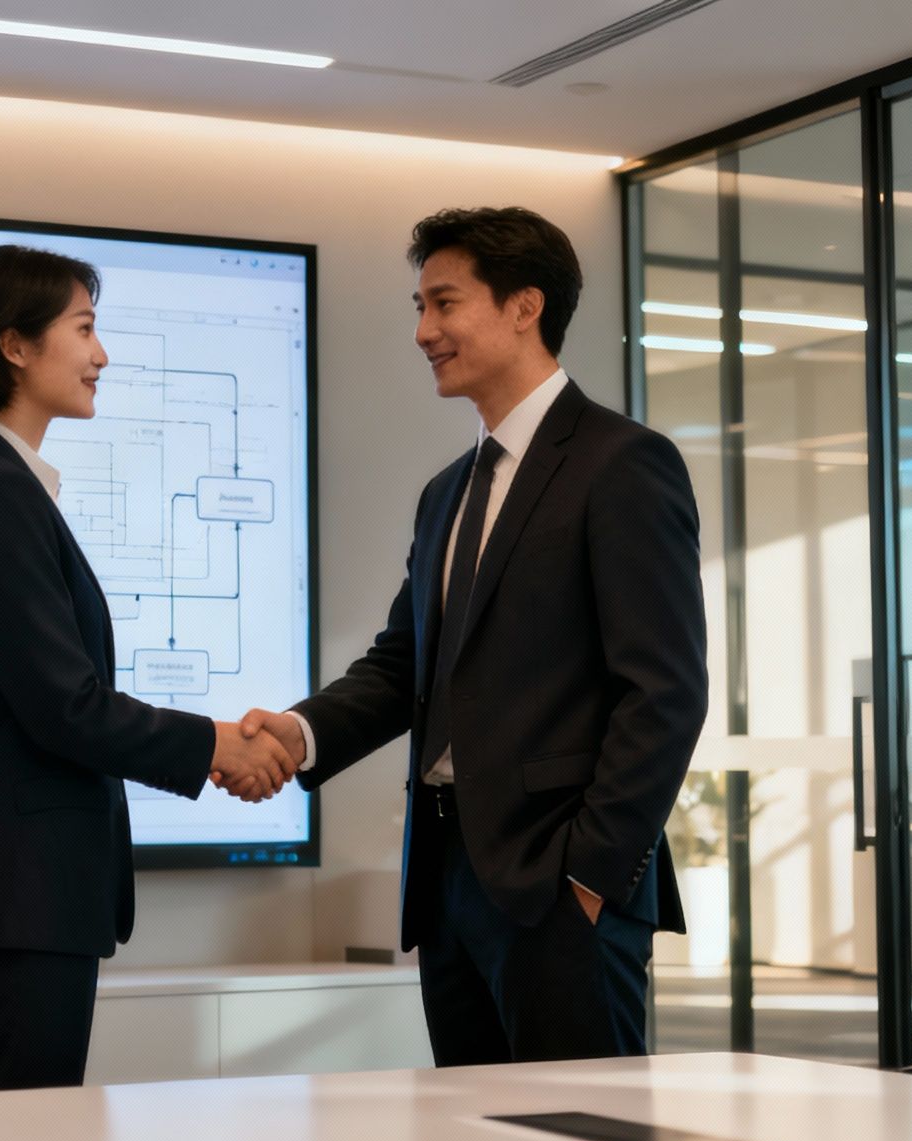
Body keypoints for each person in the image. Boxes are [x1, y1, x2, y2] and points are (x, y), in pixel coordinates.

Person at [242, 207, 707, 1065]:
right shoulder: (448, 489)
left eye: (444, 304)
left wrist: (590, 878)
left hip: (559, 888)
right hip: (449, 885)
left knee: (582, 1135)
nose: (424, 331)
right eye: (419, 308)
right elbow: (403, 665)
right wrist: (298, 735)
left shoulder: (623, 464)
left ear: (524, 307)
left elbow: (666, 694)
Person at [0, 244, 296, 1094]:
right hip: (13, 898)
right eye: (84, 328)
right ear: (14, 346)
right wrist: (220, 743)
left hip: (8, 894)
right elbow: (63, 706)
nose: (101, 354)